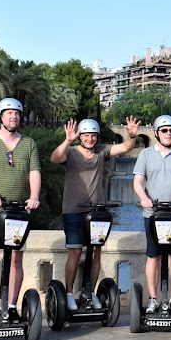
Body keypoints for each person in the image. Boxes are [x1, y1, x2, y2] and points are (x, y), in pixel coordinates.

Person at [50, 116, 139, 311]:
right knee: (75, 251)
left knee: (96, 250)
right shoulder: (71, 152)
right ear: (80, 136)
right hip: (73, 210)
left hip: (97, 212)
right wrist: (67, 140)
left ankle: (89, 292)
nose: (90, 139)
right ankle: (69, 293)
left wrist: (131, 135)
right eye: (86, 135)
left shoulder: (101, 152)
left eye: (93, 135)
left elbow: (125, 148)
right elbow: (55, 158)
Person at [0, 98, 40, 317]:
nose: (14, 117)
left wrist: (34, 196)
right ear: (0, 117)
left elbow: (34, 173)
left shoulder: (28, 143)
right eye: (9, 113)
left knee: (15, 258)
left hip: (20, 210)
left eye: (17, 113)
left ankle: (11, 307)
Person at [133, 114, 171, 314]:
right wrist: (143, 197)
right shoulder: (145, 154)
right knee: (153, 256)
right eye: (164, 130)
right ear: (157, 133)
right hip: (152, 214)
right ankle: (153, 299)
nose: (169, 134)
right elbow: (137, 181)